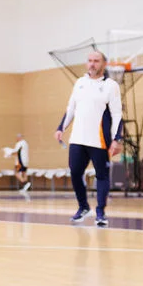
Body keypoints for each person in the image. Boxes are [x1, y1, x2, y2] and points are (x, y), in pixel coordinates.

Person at [55, 51, 123, 227]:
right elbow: (71, 108)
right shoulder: (79, 83)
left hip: (99, 140)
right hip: (77, 139)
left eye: (96, 61)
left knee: (102, 176)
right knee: (75, 173)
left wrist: (117, 139)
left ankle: (100, 213)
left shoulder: (111, 86)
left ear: (103, 64)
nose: (92, 64)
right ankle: (83, 207)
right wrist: (61, 128)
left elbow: (117, 114)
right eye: (90, 61)